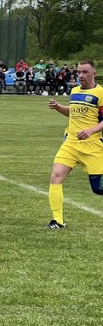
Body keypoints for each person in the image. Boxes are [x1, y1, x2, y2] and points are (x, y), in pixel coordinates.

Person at [45, 60, 103, 229]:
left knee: (98, 189)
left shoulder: (100, 93)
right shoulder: (75, 91)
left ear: (94, 73)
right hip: (70, 143)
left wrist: (91, 130)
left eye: (85, 72)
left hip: (92, 146)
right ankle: (58, 221)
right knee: (56, 176)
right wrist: (58, 107)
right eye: (79, 72)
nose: (81, 75)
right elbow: (73, 112)